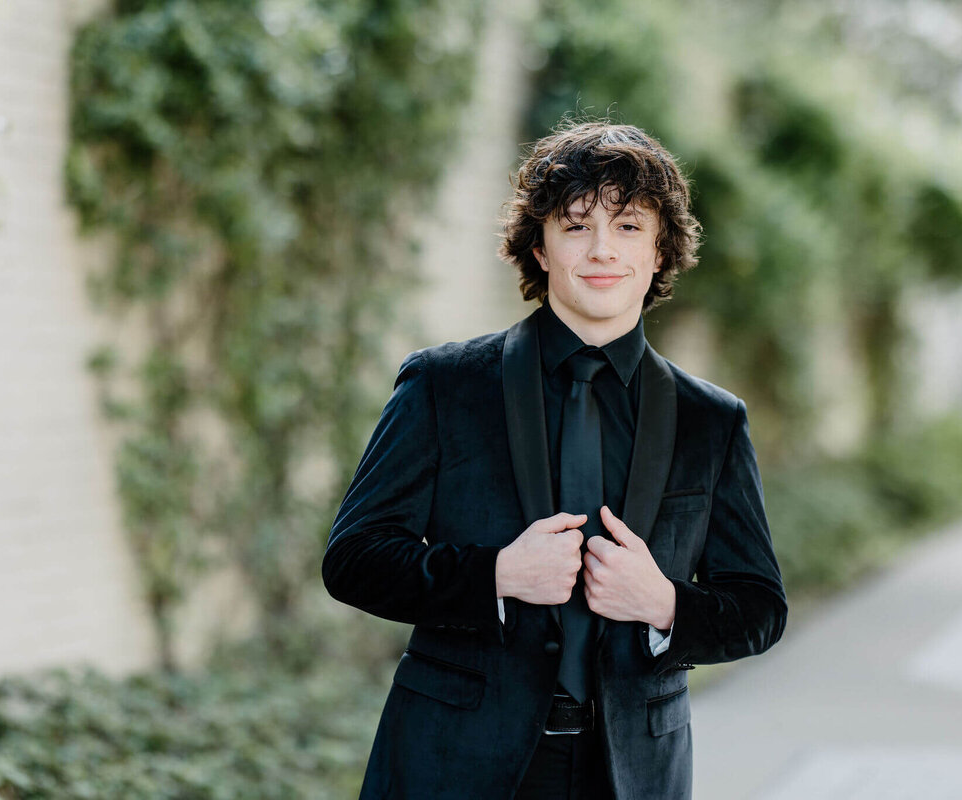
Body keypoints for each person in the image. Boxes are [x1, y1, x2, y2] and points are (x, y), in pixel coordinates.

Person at [323, 119, 787, 800]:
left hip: (632, 774)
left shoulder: (712, 421)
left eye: (628, 227)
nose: (602, 249)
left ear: (661, 251)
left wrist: (662, 603)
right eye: (575, 226)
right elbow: (354, 558)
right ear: (539, 248)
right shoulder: (443, 386)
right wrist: (497, 575)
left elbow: (759, 608)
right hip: (452, 764)